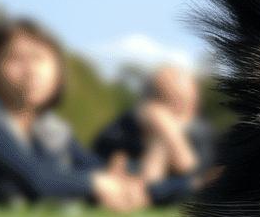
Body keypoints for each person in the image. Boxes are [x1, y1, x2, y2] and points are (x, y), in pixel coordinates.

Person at [0, 18, 145, 211]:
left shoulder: (49, 128)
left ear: (58, 72)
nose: (31, 70)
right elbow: (36, 180)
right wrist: (98, 183)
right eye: (16, 59)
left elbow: (91, 167)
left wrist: (123, 174)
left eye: (40, 59)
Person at [91, 66, 216, 205]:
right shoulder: (122, 130)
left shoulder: (201, 132)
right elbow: (104, 173)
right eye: (173, 100)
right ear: (150, 103)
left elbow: (191, 172)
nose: (184, 110)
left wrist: (168, 134)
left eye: (190, 101)